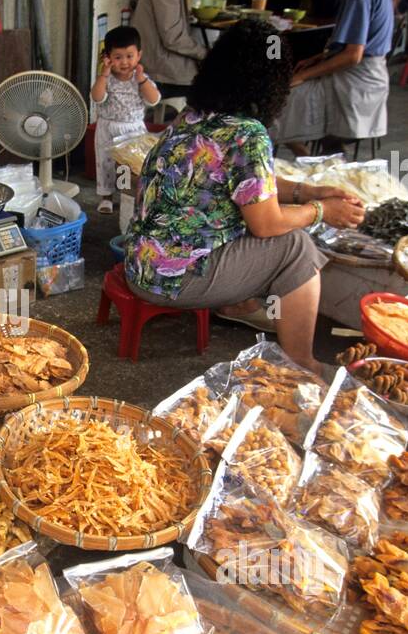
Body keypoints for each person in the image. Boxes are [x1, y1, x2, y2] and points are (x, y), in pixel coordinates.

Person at [123, 20, 364, 373]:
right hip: (175, 279)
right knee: (295, 246)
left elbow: (251, 182)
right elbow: (267, 224)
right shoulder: (247, 133)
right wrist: (320, 210)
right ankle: (301, 360)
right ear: (271, 83)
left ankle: (238, 305)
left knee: (247, 220)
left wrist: (306, 191)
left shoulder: (193, 118)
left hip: (140, 264)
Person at [275, 0, 394, 153]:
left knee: (276, 102)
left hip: (355, 83)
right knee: (280, 70)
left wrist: (303, 76)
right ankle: (319, 162)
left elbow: (353, 55)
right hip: (358, 77)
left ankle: (306, 162)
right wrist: (320, 58)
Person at [91, 26, 161, 214]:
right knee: (105, 164)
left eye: (129, 56)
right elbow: (96, 97)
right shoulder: (105, 79)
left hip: (133, 131)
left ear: (139, 55)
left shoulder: (141, 79)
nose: (124, 62)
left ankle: (125, 194)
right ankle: (106, 197)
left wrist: (141, 80)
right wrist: (104, 74)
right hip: (108, 128)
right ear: (108, 58)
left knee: (127, 166)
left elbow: (154, 99)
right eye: (118, 57)